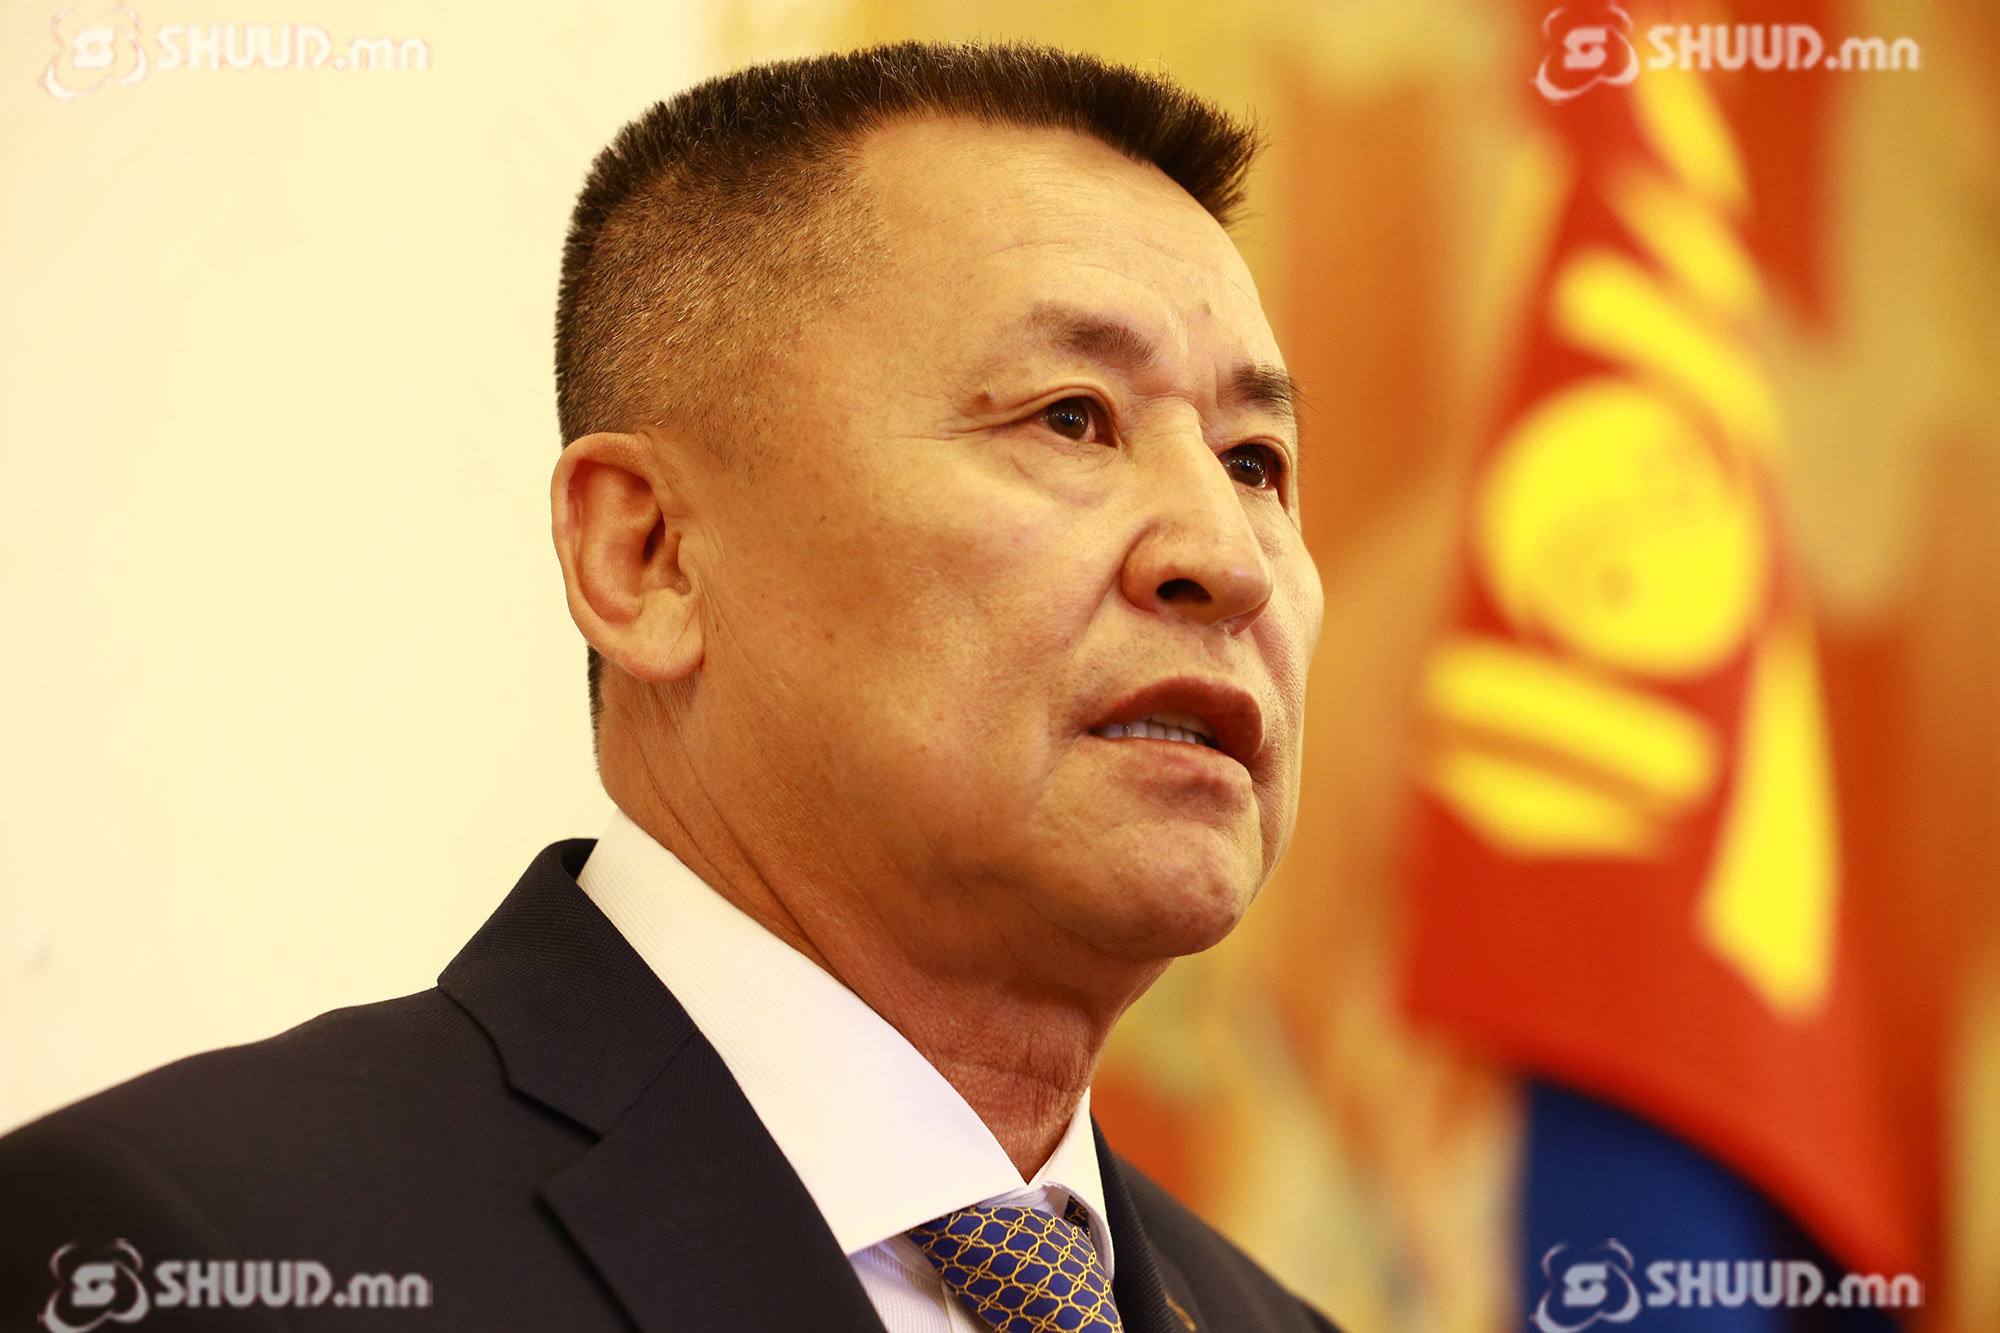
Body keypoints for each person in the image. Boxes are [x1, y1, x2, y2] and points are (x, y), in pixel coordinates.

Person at [0, 39, 1332, 1333]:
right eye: (1070, 415)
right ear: (647, 556)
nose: (1227, 558)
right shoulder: (198, 1252)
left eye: (1256, 462)